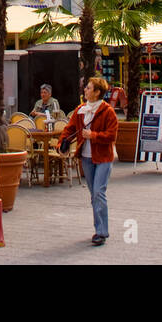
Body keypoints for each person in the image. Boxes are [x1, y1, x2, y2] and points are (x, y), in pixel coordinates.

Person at [59, 76, 119, 246]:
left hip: (103, 157)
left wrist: (92, 135)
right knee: (94, 194)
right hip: (86, 157)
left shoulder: (107, 111)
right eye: (86, 88)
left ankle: (101, 232)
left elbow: (112, 135)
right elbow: (69, 128)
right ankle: (98, 228)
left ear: (97, 92)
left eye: (89, 88)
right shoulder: (81, 110)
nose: (85, 90)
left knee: (99, 192)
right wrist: (60, 144)